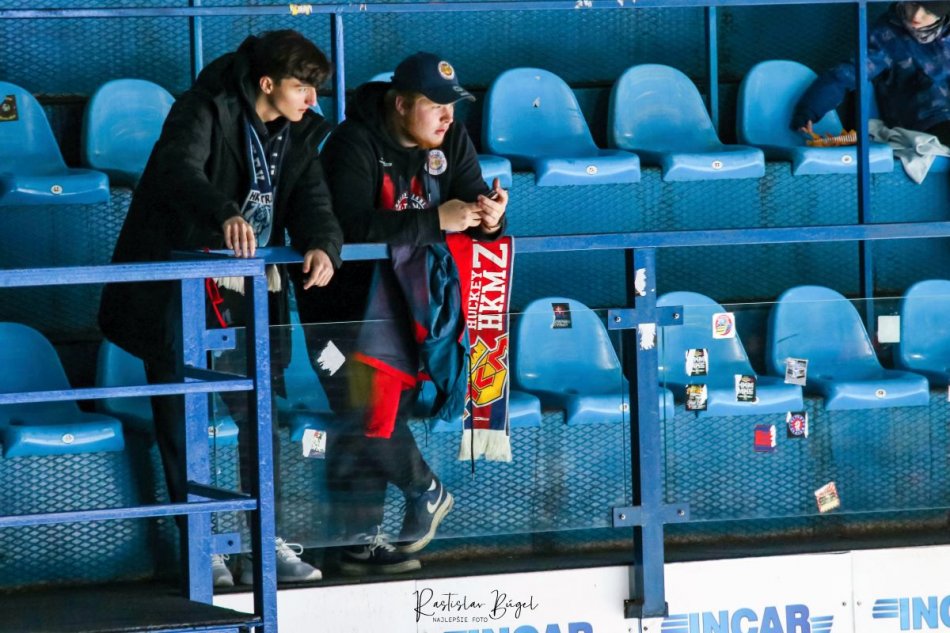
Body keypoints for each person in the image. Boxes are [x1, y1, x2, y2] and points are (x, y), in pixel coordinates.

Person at [98, 30, 343, 587]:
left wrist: (324, 244)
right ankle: (201, 545)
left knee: (258, 415)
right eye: (302, 88)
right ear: (267, 83)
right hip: (179, 286)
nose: (312, 100)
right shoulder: (203, 107)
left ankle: (263, 541)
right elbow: (176, 171)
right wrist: (224, 212)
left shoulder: (301, 129)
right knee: (182, 419)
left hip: (245, 289)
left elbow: (313, 199)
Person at [294, 51, 509, 575]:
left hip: (409, 311)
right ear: (400, 104)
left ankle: (360, 541)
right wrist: (435, 221)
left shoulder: (451, 141)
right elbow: (346, 227)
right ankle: (424, 490)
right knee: (364, 411)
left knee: (377, 416)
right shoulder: (353, 142)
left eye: (452, 106)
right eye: (435, 105)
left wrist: (491, 220)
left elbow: (472, 206)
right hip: (340, 314)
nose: (448, 117)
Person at [791, 1, 950, 143]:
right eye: (913, 4)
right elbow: (847, 74)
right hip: (926, 120)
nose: (916, 16)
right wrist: (809, 111)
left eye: (928, 11)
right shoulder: (887, 36)